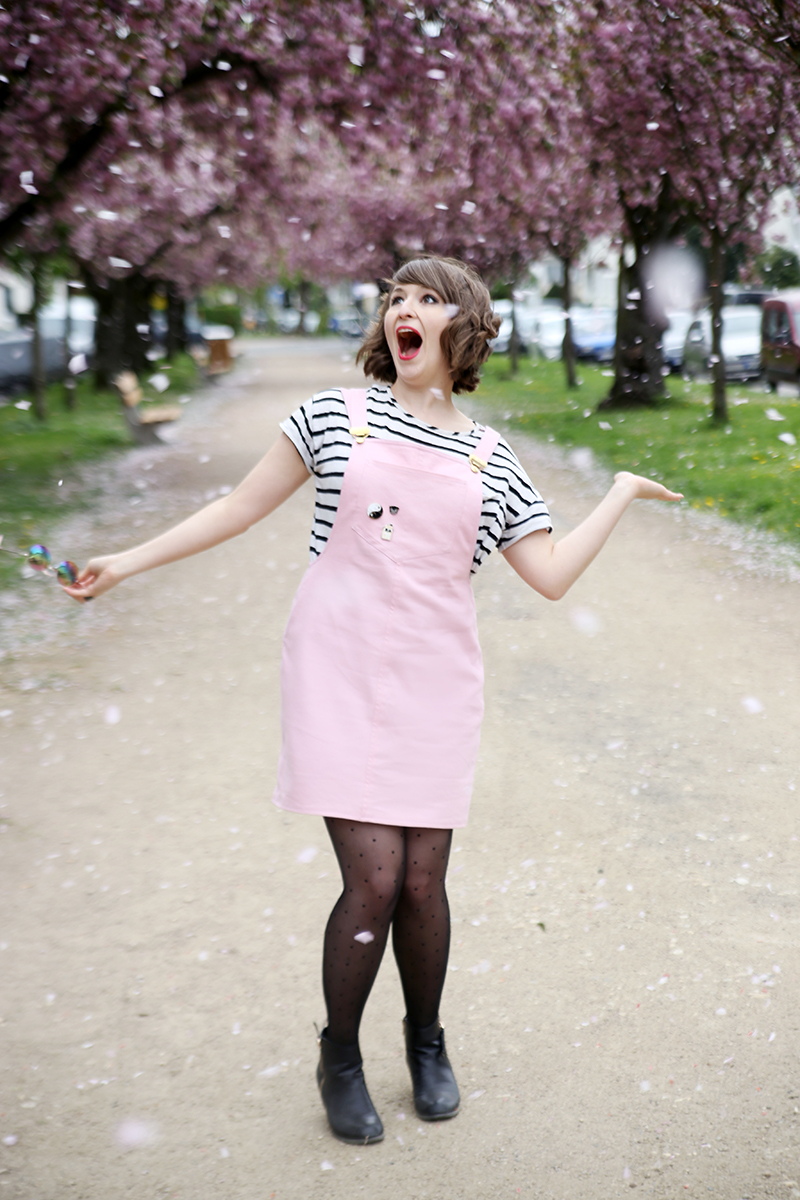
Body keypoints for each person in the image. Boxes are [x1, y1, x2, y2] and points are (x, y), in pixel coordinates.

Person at [64, 255, 682, 1146]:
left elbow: (548, 575)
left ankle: (427, 1041)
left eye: (428, 300)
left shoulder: (491, 456)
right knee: (377, 880)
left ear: (464, 329)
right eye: (397, 298)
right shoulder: (333, 416)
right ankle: (340, 1056)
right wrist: (125, 562)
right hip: (338, 669)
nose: (404, 310)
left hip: (437, 678)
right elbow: (238, 508)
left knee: (424, 883)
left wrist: (618, 492)